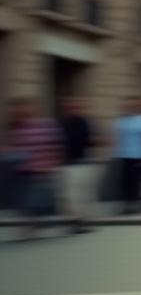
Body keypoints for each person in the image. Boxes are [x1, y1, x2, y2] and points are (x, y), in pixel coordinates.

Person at [8, 97, 63, 239]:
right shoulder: (18, 128)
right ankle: (29, 227)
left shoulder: (46, 125)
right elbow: (15, 149)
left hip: (41, 170)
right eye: (19, 108)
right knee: (25, 201)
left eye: (26, 107)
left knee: (41, 200)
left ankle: (42, 226)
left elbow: (55, 146)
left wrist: (52, 164)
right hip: (23, 170)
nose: (23, 110)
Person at [56, 97, 97, 233]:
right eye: (71, 107)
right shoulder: (61, 123)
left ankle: (83, 221)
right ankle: (73, 221)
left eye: (77, 107)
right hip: (67, 164)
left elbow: (89, 141)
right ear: (66, 109)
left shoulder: (84, 122)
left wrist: (96, 141)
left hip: (82, 162)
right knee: (70, 196)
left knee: (84, 195)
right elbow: (57, 143)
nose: (75, 109)